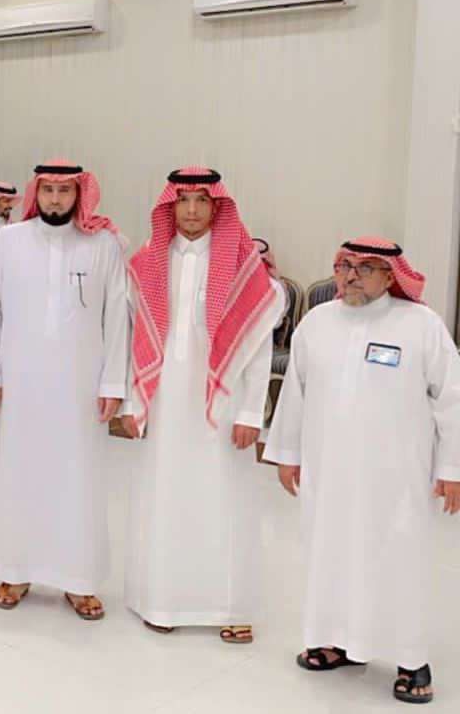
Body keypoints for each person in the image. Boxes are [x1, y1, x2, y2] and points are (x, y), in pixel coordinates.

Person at [265, 238, 460, 705]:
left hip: (398, 476)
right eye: (344, 266)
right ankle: (338, 642)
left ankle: (411, 660)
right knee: (330, 554)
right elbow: (295, 393)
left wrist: (452, 467)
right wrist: (287, 453)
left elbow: (451, 399)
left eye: (365, 268)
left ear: (391, 276)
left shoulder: (421, 325)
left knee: (397, 560)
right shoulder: (317, 322)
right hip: (329, 469)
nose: (351, 276)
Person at [120, 169, 283, 644]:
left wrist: (251, 412)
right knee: (167, 494)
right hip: (167, 401)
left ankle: (230, 607)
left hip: (224, 403)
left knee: (224, 499)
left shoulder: (243, 264)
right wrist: (134, 400)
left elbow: (258, 346)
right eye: (183, 200)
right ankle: (164, 601)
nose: (191, 210)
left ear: (217, 207)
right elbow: (136, 338)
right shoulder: (148, 261)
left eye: (201, 200)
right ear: (169, 207)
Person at [0, 159, 129, 620]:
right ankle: (15, 570)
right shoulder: (8, 242)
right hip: (21, 381)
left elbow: (117, 315)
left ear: (79, 194)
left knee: (78, 479)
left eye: (65, 191)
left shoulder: (104, 245)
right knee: (20, 474)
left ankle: (79, 580)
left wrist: (113, 381)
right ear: (35, 193)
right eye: (48, 190)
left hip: (80, 384)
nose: (56, 199)